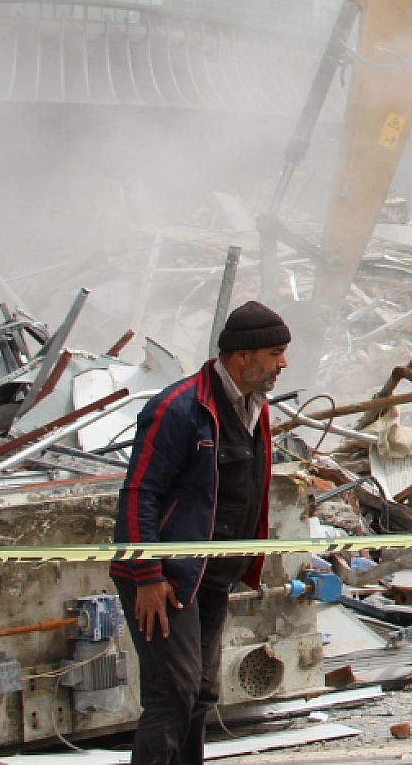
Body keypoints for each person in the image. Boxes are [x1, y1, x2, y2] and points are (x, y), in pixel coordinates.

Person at [109, 301, 290, 765]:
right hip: (168, 578)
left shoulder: (254, 408)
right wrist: (147, 576)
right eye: (275, 354)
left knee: (201, 692)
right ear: (242, 355)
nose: (283, 364)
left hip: (212, 575)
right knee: (173, 693)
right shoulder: (180, 409)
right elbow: (139, 494)